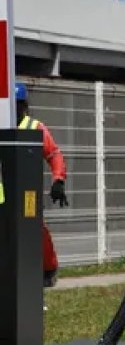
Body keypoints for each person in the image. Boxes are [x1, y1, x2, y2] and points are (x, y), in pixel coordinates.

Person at [15, 83, 68, 288]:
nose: (16, 109)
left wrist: (58, 180)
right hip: (3, 190)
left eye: (20, 105)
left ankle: (48, 269)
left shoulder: (35, 127)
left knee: (36, 229)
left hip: (27, 191)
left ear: (25, 106)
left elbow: (53, 154)